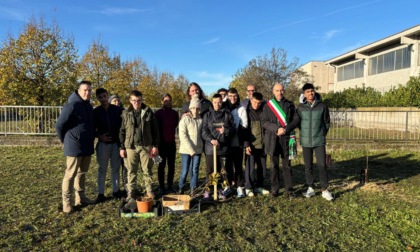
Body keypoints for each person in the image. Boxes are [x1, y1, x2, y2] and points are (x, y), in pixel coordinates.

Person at [56, 80, 95, 213]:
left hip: (87, 146)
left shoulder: (89, 106)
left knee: (82, 173)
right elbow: (60, 125)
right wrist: (65, 141)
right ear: (78, 91)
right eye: (85, 90)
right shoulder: (72, 105)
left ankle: (81, 198)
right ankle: (66, 203)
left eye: (89, 90)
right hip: (74, 146)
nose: (87, 92)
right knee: (70, 175)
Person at [261, 83, 300, 198]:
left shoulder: (290, 104)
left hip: (287, 138)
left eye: (282, 90)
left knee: (287, 165)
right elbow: (264, 122)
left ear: (284, 91)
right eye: (277, 90)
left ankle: (289, 189)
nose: (280, 93)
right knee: (274, 165)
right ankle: (275, 189)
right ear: (273, 91)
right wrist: (277, 129)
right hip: (273, 138)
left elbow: (296, 119)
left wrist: (286, 129)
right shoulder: (268, 106)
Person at [119, 90, 160, 200]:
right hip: (130, 147)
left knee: (147, 170)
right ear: (130, 100)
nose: (136, 102)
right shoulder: (125, 113)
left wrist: (155, 145)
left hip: (146, 146)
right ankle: (131, 192)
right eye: (134, 100)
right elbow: (122, 131)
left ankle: (149, 190)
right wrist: (122, 147)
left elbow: (155, 130)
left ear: (142, 100)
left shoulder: (148, 112)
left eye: (138, 100)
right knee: (131, 170)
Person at [297, 83, 333, 201]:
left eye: (311, 91)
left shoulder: (322, 106)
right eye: (307, 92)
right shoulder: (301, 107)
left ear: (314, 92)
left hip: (319, 141)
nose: (310, 93)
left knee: (322, 165)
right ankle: (310, 188)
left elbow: (326, 122)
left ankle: (324, 189)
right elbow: (298, 123)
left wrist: (322, 134)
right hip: (306, 141)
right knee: (308, 166)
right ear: (304, 94)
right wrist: (304, 134)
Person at [202, 94, 236, 199]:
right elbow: (204, 131)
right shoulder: (207, 115)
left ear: (222, 102)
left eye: (219, 102)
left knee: (224, 171)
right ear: (212, 102)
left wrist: (225, 131)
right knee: (211, 171)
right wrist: (211, 140)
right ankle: (210, 190)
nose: (217, 104)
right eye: (215, 102)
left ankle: (224, 190)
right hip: (211, 149)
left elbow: (234, 129)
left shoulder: (227, 114)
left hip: (224, 149)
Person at [93, 88, 124, 203]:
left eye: (104, 96)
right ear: (98, 98)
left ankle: (116, 190)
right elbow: (92, 129)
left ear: (108, 96)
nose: (103, 99)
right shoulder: (96, 112)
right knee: (102, 169)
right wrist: (99, 136)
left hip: (116, 144)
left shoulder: (118, 110)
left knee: (115, 168)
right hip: (103, 144)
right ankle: (101, 193)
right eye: (100, 97)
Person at [243, 92, 270, 197]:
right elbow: (244, 130)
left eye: (259, 103)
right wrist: (246, 144)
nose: (256, 105)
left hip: (263, 145)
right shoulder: (247, 112)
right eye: (254, 102)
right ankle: (248, 187)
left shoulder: (264, 111)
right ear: (251, 100)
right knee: (250, 168)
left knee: (262, 168)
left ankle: (259, 186)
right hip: (251, 145)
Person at [224, 88, 247, 197]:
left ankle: (240, 187)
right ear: (227, 96)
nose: (233, 98)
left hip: (237, 141)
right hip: (226, 142)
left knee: (238, 166)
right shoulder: (224, 107)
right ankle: (228, 186)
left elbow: (244, 124)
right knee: (227, 166)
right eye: (230, 96)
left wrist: (238, 135)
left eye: (235, 96)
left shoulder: (241, 108)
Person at [178, 95, 203, 195]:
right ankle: (181, 188)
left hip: (197, 150)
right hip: (186, 150)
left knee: (195, 170)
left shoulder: (201, 120)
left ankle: (193, 188)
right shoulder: (185, 119)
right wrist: (190, 149)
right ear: (190, 108)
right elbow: (182, 135)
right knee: (185, 170)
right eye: (193, 108)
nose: (195, 110)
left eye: (197, 108)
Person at [155, 93, 180, 194]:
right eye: (165, 100)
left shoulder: (175, 113)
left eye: (169, 100)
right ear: (162, 101)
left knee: (171, 166)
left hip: (171, 144)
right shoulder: (158, 113)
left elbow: (175, 125)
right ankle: (161, 186)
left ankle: (170, 185)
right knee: (161, 166)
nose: (168, 102)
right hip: (161, 144)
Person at [109, 94, 128, 194]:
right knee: (115, 167)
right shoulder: (108, 112)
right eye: (114, 101)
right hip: (114, 143)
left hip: (124, 143)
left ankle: (127, 188)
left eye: (118, 100)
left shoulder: (124, 112)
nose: (117, 103)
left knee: (126, 167)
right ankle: (116, 189)